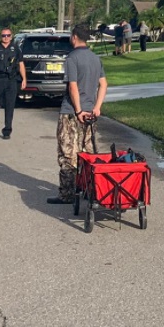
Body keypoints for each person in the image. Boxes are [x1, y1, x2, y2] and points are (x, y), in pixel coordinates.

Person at [48, 23, 107, 205]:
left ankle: (67, 194)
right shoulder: (95, 59)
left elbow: (72, 86)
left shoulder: (72, 58)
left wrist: (78, 109)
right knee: (87, 152)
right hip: (90, 113)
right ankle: (90, 189)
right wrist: (97, 107)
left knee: (68, 152)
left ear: (74, 37)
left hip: (71, 112)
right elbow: (103, 84)